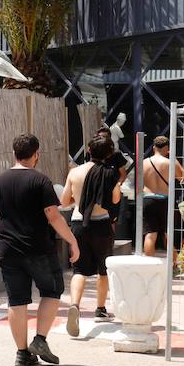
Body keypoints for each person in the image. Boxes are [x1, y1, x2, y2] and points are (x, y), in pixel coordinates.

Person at [0, 134, 80, 366]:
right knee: (52, 290)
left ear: (14, 153)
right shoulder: (41, 181)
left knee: (17, 300)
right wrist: (72, 241)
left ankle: (22, 353)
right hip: (39, 248)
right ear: (36, 154)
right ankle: (40, 340)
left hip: (8, 249)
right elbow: (53, 215)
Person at [60, 136, 122, 336]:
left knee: (79, 269)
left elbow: (64, 201)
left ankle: (74, 305)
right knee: (103, 269)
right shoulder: (110, 173)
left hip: (79, 224)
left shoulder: (74, 172)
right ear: (109, 154)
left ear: (89, 150)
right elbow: (115, 199)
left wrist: (79, 198)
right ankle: (100, 309)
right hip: (101, 224)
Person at [140, 135, 184, 256]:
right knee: (169, 234)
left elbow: (138, 184)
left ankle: (149, 263)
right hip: (165, 200)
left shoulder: (143, 163)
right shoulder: (169, 163)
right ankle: (172, 263)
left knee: (150, 235)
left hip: (147, 198)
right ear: (167, 149)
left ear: (154, 147)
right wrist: (174, 158)